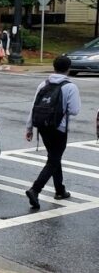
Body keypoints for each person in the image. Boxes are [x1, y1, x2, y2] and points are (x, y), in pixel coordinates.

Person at [25, 55, 81, 209]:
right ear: (68, 69)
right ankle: (35, 190)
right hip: (59, 128)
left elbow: (34, 106)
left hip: (42, 126)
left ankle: (59, 190)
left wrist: (29, 127)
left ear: (54, 67)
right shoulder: (70, 87)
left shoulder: (43, 84)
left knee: (54, 157)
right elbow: (74, 110)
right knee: (53, 160)